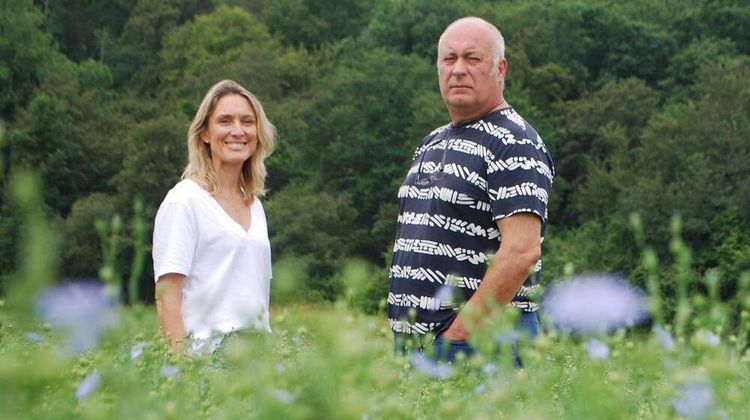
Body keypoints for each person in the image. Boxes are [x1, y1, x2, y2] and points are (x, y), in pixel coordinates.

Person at [387, 17, 555, 363]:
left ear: (500, 68)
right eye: (449, 59)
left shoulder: (514, 141)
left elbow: (522, 251)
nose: (458, 69)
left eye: (472, 58)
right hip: (420, 343)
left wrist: (460, 333)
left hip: (479, 342)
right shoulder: (431, 143)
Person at [153, 79, 276, 355]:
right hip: (206, 357)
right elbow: (167, 297)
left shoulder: (254, 204)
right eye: (225, 121)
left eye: (247, 121)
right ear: (204, 134)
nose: (237, 131)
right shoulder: (184, 201)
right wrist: (182, 371)